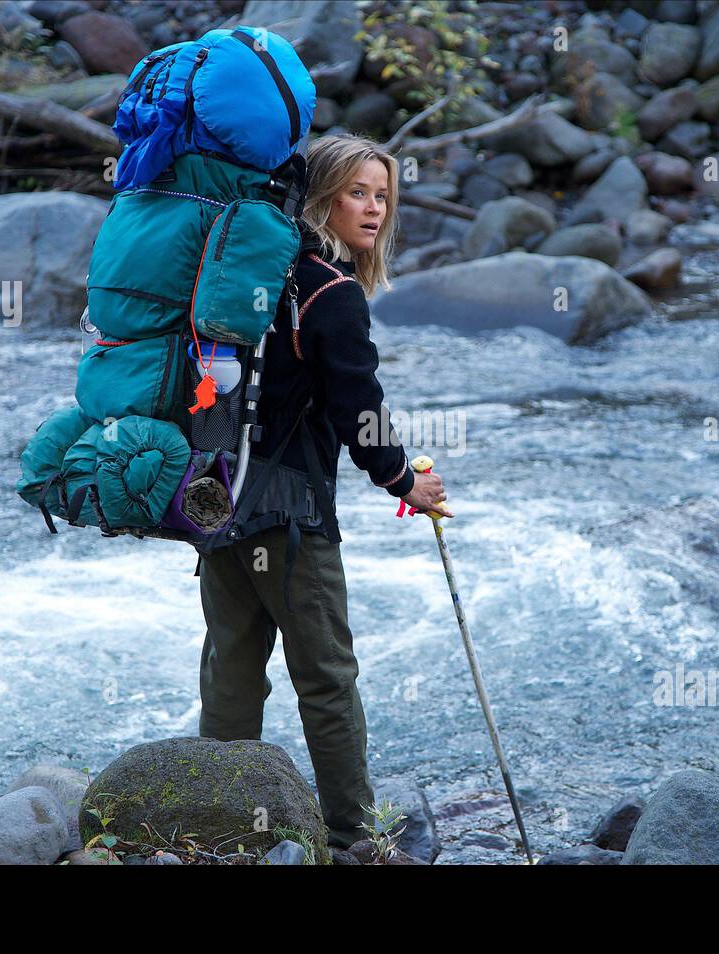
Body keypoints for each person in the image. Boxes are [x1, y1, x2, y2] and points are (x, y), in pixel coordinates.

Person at [196, 133, 451, 851]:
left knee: (232, 668)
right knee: (328, 680)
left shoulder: (254, 277)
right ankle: (354, 836)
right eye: (358, 194)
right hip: (292, 518)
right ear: (321, 200)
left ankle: (220, 827)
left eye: (382, 196)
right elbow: (359, 413)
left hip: (215, 498)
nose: (374, 210)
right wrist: (409, 483)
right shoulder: (333, 296)